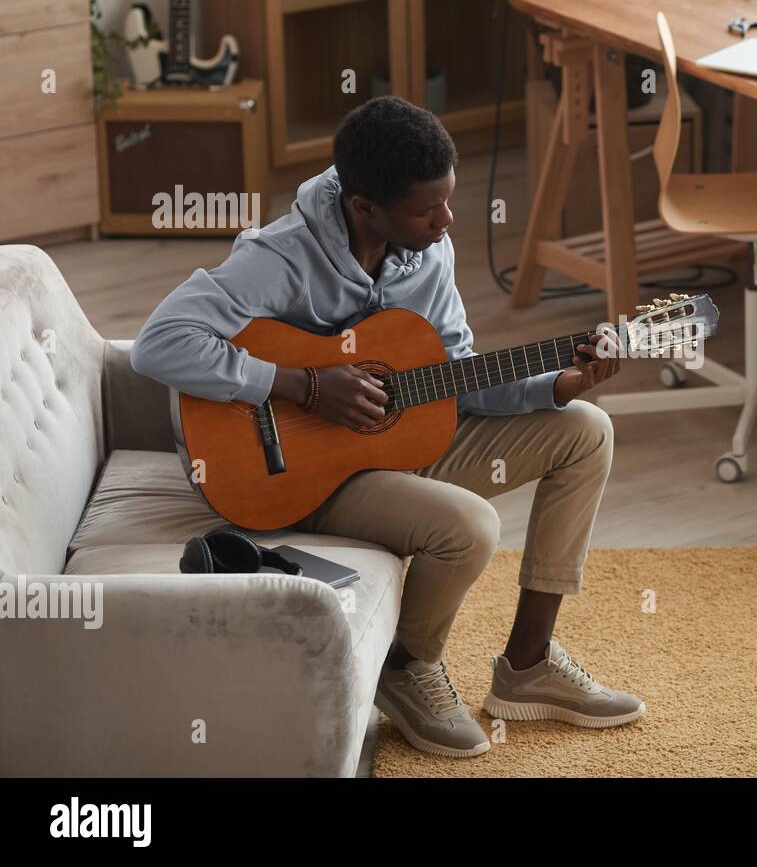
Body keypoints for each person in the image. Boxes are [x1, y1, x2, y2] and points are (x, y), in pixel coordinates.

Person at [131, 95, 645, 758]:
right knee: (469, 528)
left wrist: (556, 382)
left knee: (585, 429)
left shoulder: (431, 251)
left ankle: (527, 663)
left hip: (396, 449)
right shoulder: (279, 256)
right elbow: (159, 344)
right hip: (293, 477)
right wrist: (304, 385)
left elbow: (457, 373)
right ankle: (407, 668)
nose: (446, 220)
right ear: (364, 207)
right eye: (427, 209)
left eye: (449, 201)